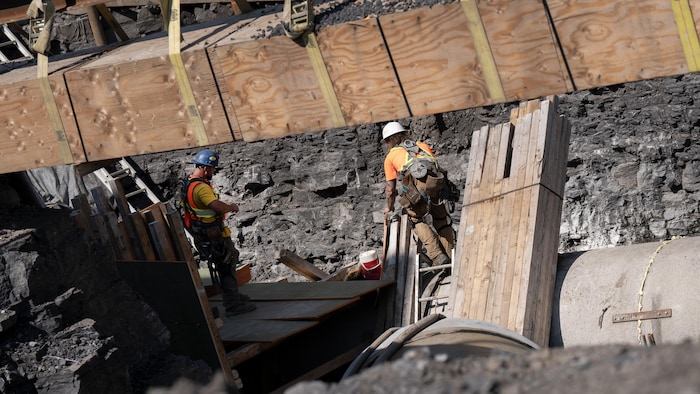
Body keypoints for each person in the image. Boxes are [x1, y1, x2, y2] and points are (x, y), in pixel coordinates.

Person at [180, 149, 256, 316]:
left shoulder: (188, 182)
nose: (214, 172)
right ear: (206, 168)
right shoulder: (200, 187)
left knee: (227, 261)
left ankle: (233, 295)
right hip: (212, 234)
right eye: (213, 169)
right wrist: (231, 207)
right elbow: (216, 206)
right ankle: (233, 305)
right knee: (226, 264)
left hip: (202, 233)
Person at [381, 121, 455, 267]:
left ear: (389, 140)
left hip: (417, 187)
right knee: (441, 220)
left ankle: (438, 256)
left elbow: (390, 189)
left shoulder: (390, 157)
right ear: (404, 134)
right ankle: (451, 257)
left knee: (416, 219)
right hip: (437, 184)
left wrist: (389, 207)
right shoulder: (422, 146)